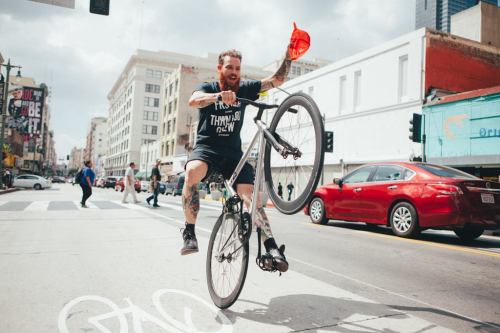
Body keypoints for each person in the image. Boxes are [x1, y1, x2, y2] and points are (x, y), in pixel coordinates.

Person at [181, 45, 294, 273]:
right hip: (207, 150)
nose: (234, 72)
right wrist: (218, 97)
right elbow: (194, 101)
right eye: (229, 67)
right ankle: (189, 232)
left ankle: (271, 248)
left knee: (250, 201)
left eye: (238, 68)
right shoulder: (208, 88)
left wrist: (289, 55)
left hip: (233, 155)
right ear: (220, 68)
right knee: (192, 171)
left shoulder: (245, 88)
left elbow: (277, 80)